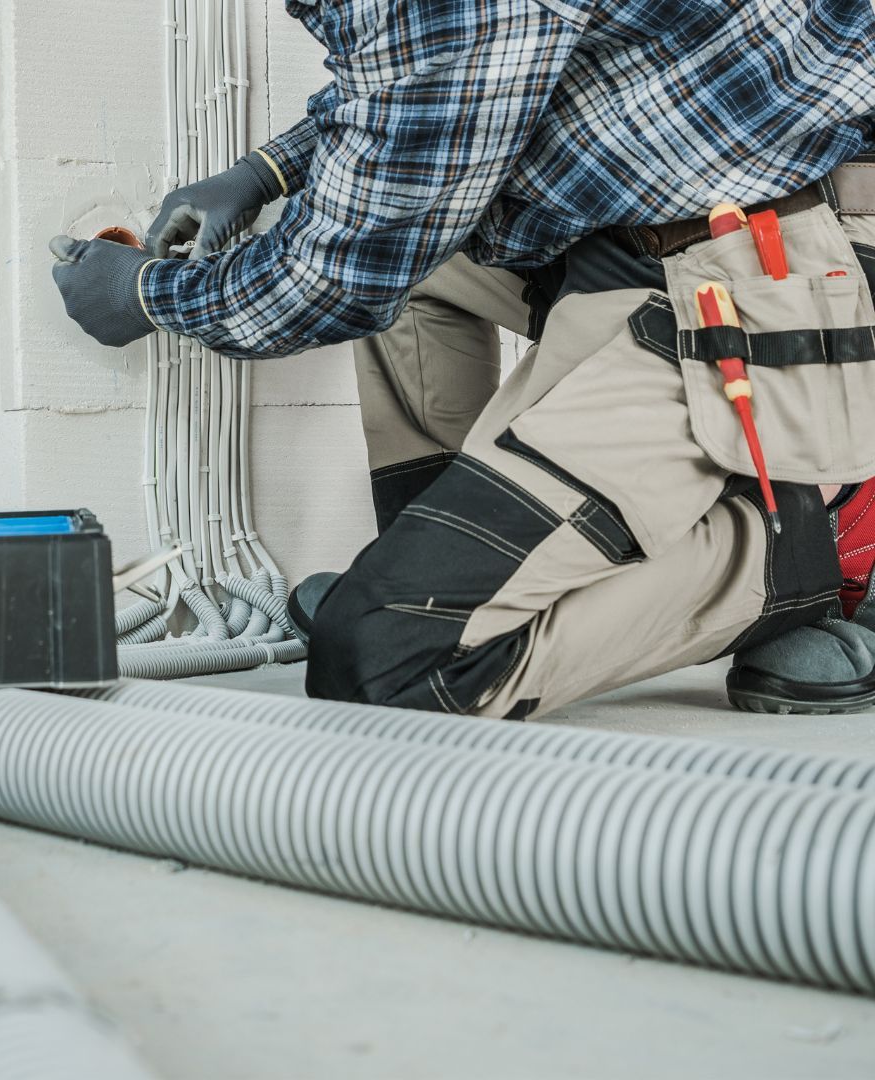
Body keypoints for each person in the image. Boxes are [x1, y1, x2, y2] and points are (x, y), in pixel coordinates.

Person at [49, 0, 875, 718]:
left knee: (386, 657)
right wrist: (265, 172)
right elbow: (441, 76)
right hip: (631, 239)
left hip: (763, 280)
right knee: (421, 264)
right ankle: (434, 562)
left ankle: (791, 554)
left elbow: (338, 275)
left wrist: (145, 297)